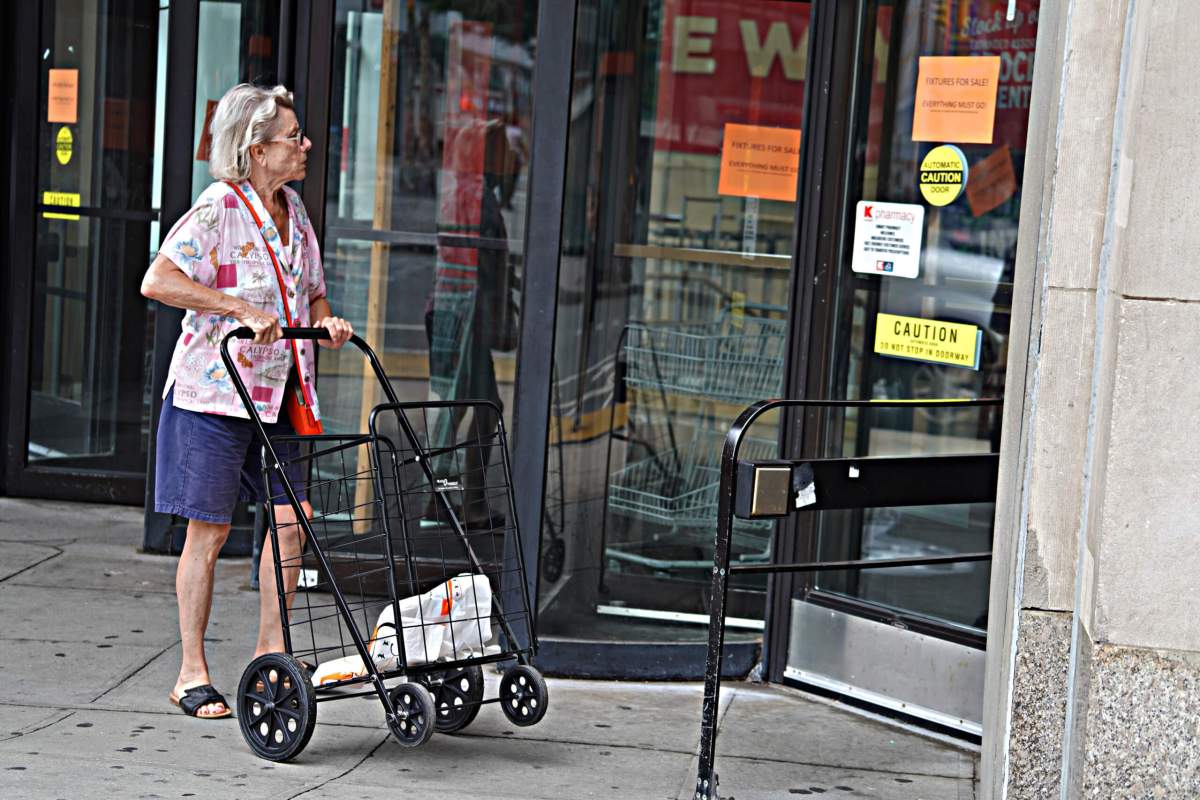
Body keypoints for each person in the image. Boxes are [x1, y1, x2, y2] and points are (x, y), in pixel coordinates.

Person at [140, 83, 353, 719]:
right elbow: (159, 279)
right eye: (294, 137)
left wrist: (327, 320)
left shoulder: (296, 210)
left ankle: (271, 652)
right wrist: (235, 307)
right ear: (257, 150)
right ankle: (191, 672)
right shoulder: (218, 209)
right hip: (215, 394)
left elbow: (311, 292)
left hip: (284, 393)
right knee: (209, 532)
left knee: (294, 520)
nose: (306, 144)